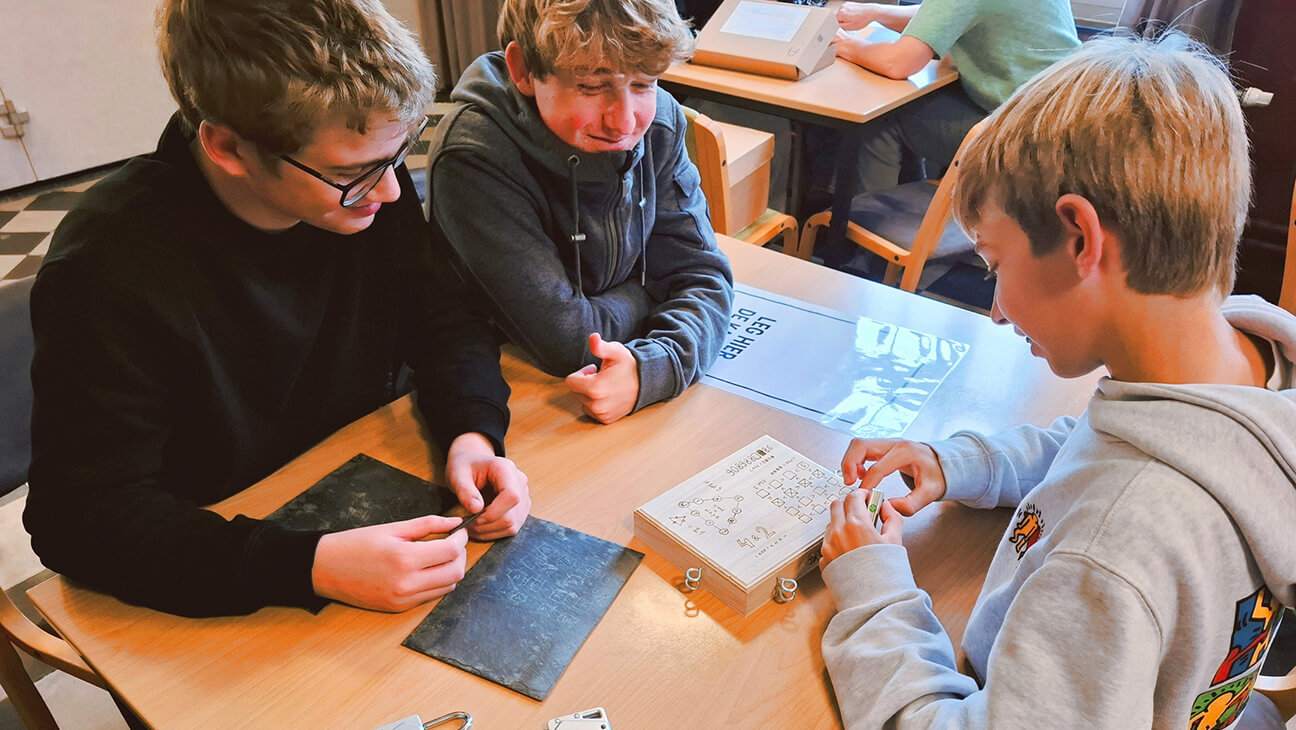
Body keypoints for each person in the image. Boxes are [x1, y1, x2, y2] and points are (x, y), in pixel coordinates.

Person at [818, 33, 1296, 728]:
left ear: (1080, 239)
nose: (998, 309)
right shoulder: (1248, 381)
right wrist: (961, 464)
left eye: (995, 263)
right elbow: (1100, 445)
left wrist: (874, 591)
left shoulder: (1111, 547)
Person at [23, 0, 531, 619]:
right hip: (212, 558)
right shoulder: (109, 265)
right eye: (355, 172)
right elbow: (79, 518)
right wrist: (307, 566)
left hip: (354, 491)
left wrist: (473, 429)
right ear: (229, 147)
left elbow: (443, 316)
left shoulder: (359, 190)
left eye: (399, 157)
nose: (393, 191)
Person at [426, 0, 734, 425]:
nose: (624, 122)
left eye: (645, 84)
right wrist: (650, 287)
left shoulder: (660, 122)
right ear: (522, 71)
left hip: (613, 381)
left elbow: (703, 278)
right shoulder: (475, 154)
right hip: (502, 395)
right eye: (591, 87)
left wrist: (656, 368)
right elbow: (567, 341)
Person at [828, 0, 1080, 199]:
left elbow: (898, 63)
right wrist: (876, 12)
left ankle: (873, 244)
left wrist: (843, 44)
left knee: (882, 117)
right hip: (1066, 121)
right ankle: (917, 220)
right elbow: (949, 13)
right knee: (916, 106)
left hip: (1028, 140)